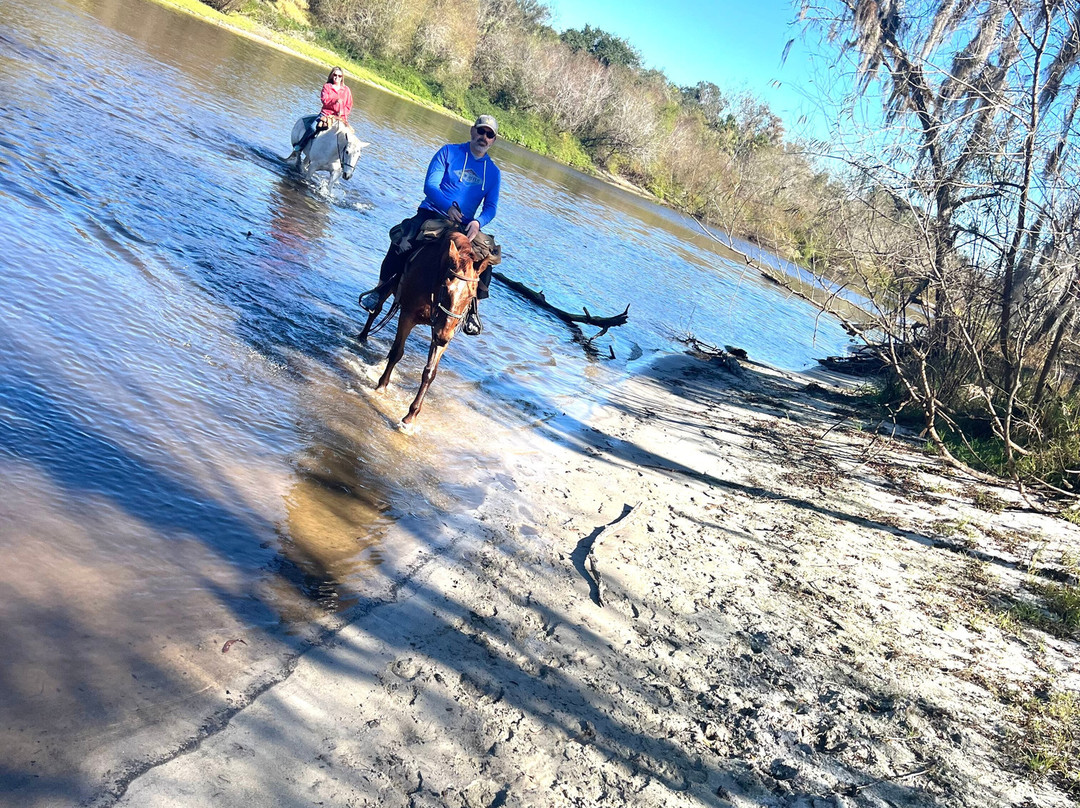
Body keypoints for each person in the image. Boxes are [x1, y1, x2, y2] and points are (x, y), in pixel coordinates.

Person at [360, 115, 501, 336]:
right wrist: (447, 207)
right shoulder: (448, 152)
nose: (484, 137)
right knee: (403, 239)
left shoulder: (493, 172)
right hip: (432, 213)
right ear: (472, 132)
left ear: (493, 140)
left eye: (489, 134)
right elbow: (430, 186)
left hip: (465, 227)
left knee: (487, 257)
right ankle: (379, 291)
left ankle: (473, 311)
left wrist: (478, 221)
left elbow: (491, 207)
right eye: (481, 131)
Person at [292, 67, 354, 165]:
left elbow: (349, 105)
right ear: (331, 75)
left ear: (342, 77)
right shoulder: (327, 87)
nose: (337, 77)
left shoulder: (346, 90)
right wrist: (334, 101)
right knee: (312, 128)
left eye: (339, 76)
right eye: (335, 75)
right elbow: (324, 101)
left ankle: (343, 163)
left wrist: (343, 114)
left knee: (349, 138)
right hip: (326, 114)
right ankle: (300, 146)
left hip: (340, 118)